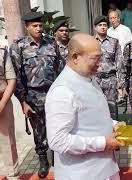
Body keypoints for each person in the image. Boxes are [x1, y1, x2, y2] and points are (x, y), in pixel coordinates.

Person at [45, 33, 126, 180]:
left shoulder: (88, 78)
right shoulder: (62, 91)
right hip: (82, 173)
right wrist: (103, 143)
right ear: (75, 57)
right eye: (95, 58)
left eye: (100, 57)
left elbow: (90, 114)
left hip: (104, 167)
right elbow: (58, 141)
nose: (100, 63)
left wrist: (113, 124)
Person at [9, 11, 60, 178]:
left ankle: (57, 158)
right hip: (33, 96)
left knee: (56, 126)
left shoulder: (52, 44)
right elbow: (16, 76)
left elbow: (59, 69)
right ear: (27, 27)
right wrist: (23, 101)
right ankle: (43, 160)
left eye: (40, 25)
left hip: (53, 94)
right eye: (34, 26)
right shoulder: (19, 47)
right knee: (39, 131)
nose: (39, 28)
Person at [0, 44, 18, 178]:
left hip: (2, 101)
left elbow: (12, 80)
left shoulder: (1, 52)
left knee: (8, 141)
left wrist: (1, 106)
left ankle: (13, 175)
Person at [93, 15, 123, 120]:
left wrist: (120, 81)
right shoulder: (90, 42)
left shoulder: (114, 42)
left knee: (112, 108)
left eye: (105, 25)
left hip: (111, 79)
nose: (102, 27)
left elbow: (119, 62)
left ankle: (114, 131)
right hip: (95, 79)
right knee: (95, 107)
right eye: (100, 25)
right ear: (95, 28)